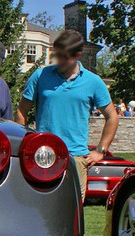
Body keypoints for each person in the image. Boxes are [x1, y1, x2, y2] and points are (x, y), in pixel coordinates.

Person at [15, 29, 118, 202]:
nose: (59, 60)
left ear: (78, 55)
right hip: (43, 154)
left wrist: (101, 150)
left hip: (75, 157)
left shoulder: (93, 82)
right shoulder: (40, 75)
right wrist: (24, 142)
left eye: (64, 56)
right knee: (40, 207)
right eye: (57, 55)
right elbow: (21, 110)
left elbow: (112, 117)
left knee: (73, 210)